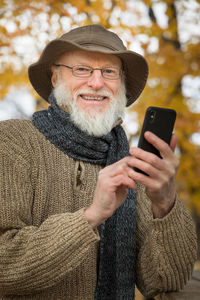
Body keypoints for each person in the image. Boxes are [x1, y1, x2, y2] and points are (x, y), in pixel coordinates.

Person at [0, 24, 197, 300]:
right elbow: (4, 266)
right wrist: (91, 215)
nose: (96, 83)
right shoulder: (12, 140)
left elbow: (165, 280)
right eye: (81, 69)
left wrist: (164, 202)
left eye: (109, 72)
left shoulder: (132, 165)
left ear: (122, 85)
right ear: (55, 78)